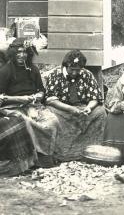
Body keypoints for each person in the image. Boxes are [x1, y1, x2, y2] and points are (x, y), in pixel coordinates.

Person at [0, 38, 58, 173]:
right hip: (11, 107)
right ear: (13, 53)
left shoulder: (33, 69)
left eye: (25, 52)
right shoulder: (5, 71)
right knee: (26, 122)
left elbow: (41, 90)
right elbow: (1, 97)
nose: (22, 55)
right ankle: (32, 160)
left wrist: (38, 96)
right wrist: (20, 99)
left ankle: (46, 157)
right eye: (18, 52)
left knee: (52, 121)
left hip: (33, 105)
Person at [46, 49, 107, 161]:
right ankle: (63, 154)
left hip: (82, 108)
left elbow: (95, 97)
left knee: (100, 112)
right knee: (50, 112)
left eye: (78, 70)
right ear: (65, 66)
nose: (74, 73)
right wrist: (70, 109)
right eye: (72, 70)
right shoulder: (54, 75)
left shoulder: (87, 74)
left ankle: (91, 151)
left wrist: (89, 107)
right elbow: (50, 100)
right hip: (62, 110)